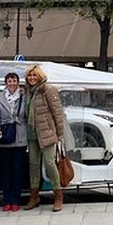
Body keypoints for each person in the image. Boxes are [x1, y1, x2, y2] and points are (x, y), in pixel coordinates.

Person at [24, 64, 67, 212]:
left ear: (40, 76)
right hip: (32, 133)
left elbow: (57, 112)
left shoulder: (48, 89)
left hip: (47, 132)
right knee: (33, 165)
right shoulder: (27, 91)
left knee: (50, 163)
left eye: (34, 75)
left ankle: (58, 195)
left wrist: (60, 133)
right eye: (30, 75)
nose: (32, 78)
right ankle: (34, 196)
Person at [0, 72, 27, 213]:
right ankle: (7, 200)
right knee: (5, 170)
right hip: (5, 135)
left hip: (19, 135)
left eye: (14, 81)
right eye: (9, 81)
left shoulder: (24, 96)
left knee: (18, 170)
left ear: (18, 82)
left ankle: (16, 200)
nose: (12, 83)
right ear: (5, 82)